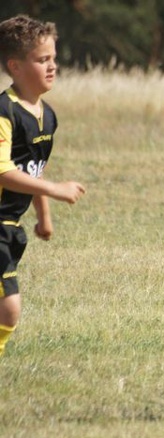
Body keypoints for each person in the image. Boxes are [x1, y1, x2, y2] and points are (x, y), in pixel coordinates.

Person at [0, 15, 86, 356]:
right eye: (42, 60)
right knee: (11, 308)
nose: (53, 67)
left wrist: (44, 216)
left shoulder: (46, 115)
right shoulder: (4, 111)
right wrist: (56, 190)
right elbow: (4, 171)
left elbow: (33, 172)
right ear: (15, 66)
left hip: (11, 226)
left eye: (53, 58)